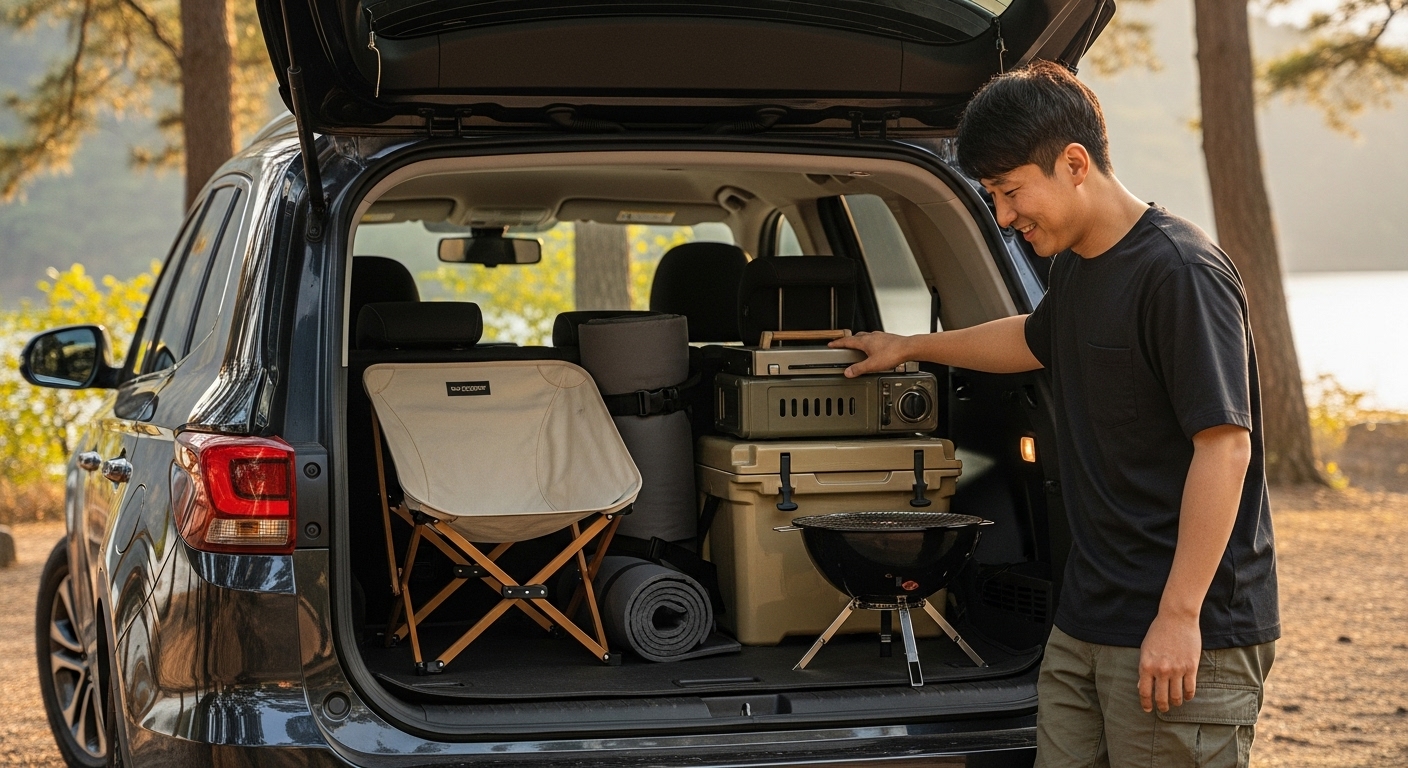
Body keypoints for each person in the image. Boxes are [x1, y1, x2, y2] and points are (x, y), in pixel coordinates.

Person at [832, 61, 1278, 768]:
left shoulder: (1180, 273)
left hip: (1182, 625)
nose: (1005, 218)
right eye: (993, 197)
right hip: (1086, 618)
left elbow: (1225, 448)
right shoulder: (1077, 266)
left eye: (1010, 193)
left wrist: (1179, 615)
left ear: (1074, 163)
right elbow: (1034, 339)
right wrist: (910, 345)